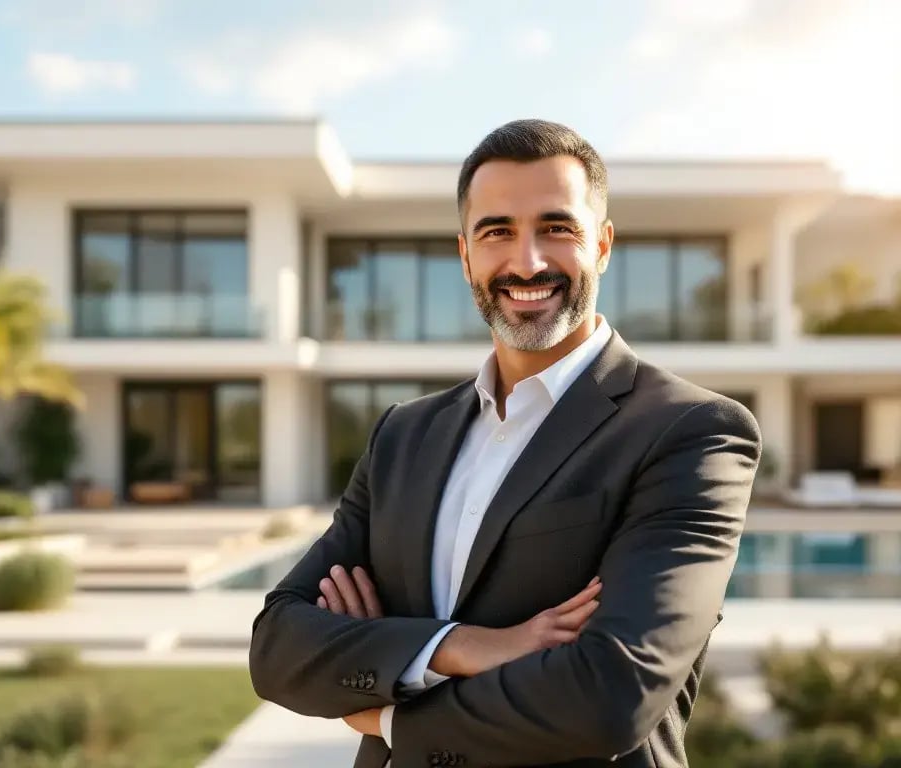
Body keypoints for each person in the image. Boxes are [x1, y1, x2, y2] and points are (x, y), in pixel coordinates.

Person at [249, 119, 761, 767]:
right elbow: (276, 647)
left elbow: (611, 695)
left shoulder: (691, 432)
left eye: (556, 228)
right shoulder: (402, 436)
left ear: (601, 246)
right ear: (465, 254)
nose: (528, 262)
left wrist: (386, 709)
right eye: (497, 232)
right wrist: (461, 646)